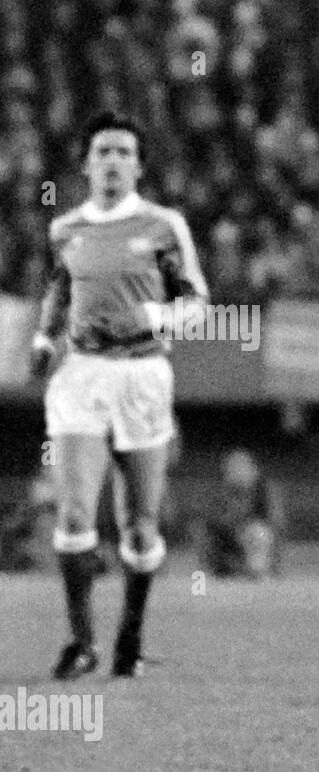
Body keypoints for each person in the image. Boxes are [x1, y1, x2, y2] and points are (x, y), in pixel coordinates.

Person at [28, 110, 208, 679]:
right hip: (81, 375)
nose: (112, 160)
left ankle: (130, 634)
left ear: (139, 166)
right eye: (102, 151)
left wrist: (152, 316)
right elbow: (59, 289)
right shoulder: (65, 230)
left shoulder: (163, 225)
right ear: (85, 164)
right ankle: (82, 642)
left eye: (123, 152)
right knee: (76, 511)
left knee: (140, 524)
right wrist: (41, 337)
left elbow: (198, 302)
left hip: (142, 377)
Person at [198, 448, 285, 578]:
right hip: (227, 547)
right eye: (232, 467)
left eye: (242, 467)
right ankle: (226, 570)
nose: (237, 471)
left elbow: (277, 525)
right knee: (199, 531)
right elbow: (208, 526)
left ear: (254, 470)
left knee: (258, 532)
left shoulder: (265, 491)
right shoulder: (218, 494)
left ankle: (259, 573)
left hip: (256, 548)